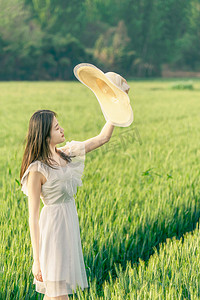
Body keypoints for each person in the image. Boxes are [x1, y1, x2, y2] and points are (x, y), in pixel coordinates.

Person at [20, 109, 115, 300]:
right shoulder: (36, 170)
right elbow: (33, 218)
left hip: (69, 227)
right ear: (46, 135)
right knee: (58, 294)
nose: (62, 129)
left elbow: (103, 138)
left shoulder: (66, 153)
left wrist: (116, 107)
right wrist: (36, 261)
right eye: (56, 127)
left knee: (58, 294)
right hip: (53, 232)